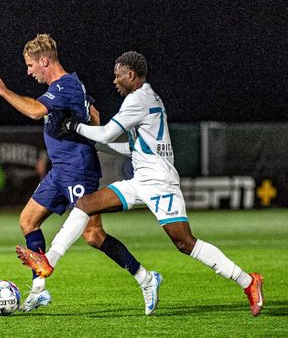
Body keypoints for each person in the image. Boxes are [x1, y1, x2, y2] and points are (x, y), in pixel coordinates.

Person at [16, 51, 265, 317]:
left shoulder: (138, 100)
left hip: (160, 184)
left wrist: (77, 127)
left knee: (184, 243)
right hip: (140, 180)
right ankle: (48, 262)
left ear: (131, 75)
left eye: (118, 75)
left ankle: (248, 281)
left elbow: (108, 131)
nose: (114, 81)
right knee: (86, 204)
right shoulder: (146, 97)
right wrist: (92, 140)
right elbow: (129, 148)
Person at [0, 36, 159, 315]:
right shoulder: (72, 84)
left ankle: (146, 278)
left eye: (31, 65)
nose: (29, 71)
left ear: (45, 61)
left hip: (78, 170)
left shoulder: (65, 85)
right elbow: (94, 113)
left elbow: (34, 111)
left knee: (93, 235)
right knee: (28, 221)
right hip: (60, 170)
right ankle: (39, 290)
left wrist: (3, 90)